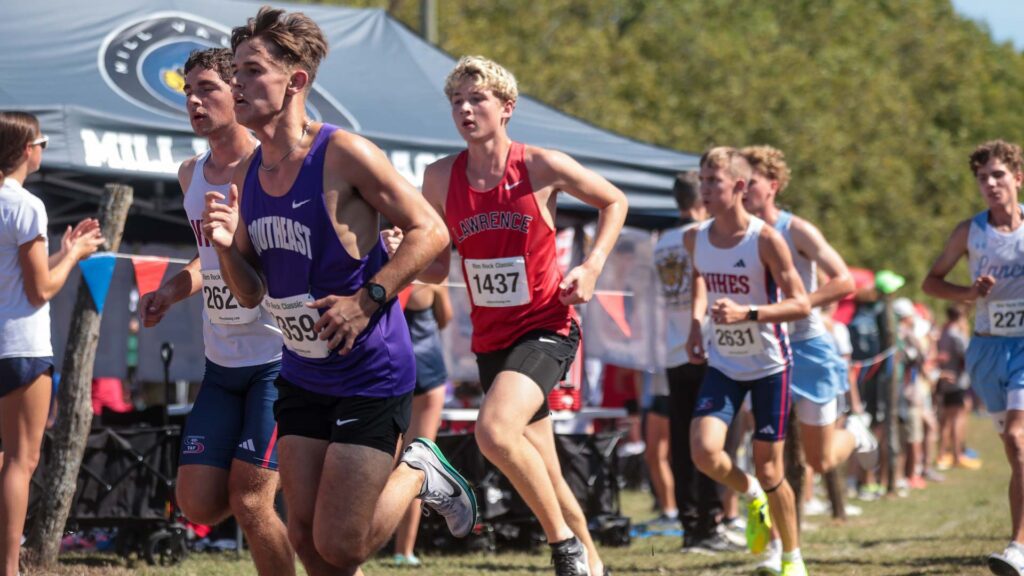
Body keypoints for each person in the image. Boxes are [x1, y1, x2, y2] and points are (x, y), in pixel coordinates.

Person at [203, 8, 475, 575]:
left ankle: (420, 470)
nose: (236, 84)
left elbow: (431, 231)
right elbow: (250, 294)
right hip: (303, 371)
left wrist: (367, 299)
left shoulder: (343, 153)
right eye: (234, 72)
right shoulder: (249, 173)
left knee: (342, 544)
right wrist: (226, 248)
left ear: (295, 81)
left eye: (252, 71)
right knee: (306, 539)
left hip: (369, 373)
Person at [413, 55, 628, 575]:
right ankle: (593, 564)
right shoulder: (439, 177)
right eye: (457, 101)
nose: (465, 110)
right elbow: (438, 266)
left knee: (493, 432)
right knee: (544, 470)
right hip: (492, 339)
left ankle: (564, 548)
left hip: (546, 327)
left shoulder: (540, 166)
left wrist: (593, 265)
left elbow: (614, 201)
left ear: (506, 107)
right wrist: (406, 248)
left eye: (477, 99)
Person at [138, 48, 293, 575]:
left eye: (207, 88)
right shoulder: (190, 173)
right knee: (198, 503)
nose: (194, 101)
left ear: (238, 93)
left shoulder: (268, 167)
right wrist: (171, 291)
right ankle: (303, 493)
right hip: (222, 362)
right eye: (188, 91)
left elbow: (254, 272)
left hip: (277, 357)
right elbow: (208, 257)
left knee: (250, 500)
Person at [740, 145, 878, 543]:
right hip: (762, 350)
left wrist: (797, 305)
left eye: (751, 182)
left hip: (808, 346)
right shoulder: (739, 233)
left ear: (773, 185)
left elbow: (844, 280)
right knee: (765, 453)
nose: (743, 190)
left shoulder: (796, 229)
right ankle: (778, 544)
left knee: (819, 459)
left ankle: (856, 432)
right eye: (739, 182)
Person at [684, 146, 811, 576]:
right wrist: (695, 324)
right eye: (701, 180)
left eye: (713, 182)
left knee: (771, 467)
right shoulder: (695, 237)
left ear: (739, 187)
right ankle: (750, 490)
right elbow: (699, 278)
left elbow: (801, 304)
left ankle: (792, 557)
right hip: (724, 363)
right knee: (704, 452)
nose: (704, 189)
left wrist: (748, 313)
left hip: (770, 366)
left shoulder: (765, 239)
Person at [0, 111, 104, 576]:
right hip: (20, 345)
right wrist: (76, 255)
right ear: (27, 150)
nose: (43, 150)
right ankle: (8, 567)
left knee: (7, 458)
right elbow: (40, 289)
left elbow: (18, 273)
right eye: (41, 143)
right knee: (21, 461)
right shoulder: (26, 205)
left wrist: (62, 251)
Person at [922, 139, 1024, 576]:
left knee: (1018, 440)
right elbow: (931, 282)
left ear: (1018, 178)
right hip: (986, 348)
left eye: (998, 175)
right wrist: (969, 292)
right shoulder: (969, 232)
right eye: (983, 178)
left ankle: (1017, 548)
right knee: (1014, 451)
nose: (991, 184)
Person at [654, 170, 736, 552]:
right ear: (702, 199)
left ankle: (690, 527)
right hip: (706, 346)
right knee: (712, 441)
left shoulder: (661, 242)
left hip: (674, 350)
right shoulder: (703, 236)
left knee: (685, 443)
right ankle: (709, 524)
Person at [393, 282, 453, 567]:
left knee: (380, 462)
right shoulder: (433, 276)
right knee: (418, 463)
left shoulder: (379, 269)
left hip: (392, 367)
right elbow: (445, 319)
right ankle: (403, 550)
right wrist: (438, 290)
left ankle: (367, 541)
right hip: (427, 367)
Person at [934, 304, 979, 470]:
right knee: (956, 418)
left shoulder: (944, 332)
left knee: (947, 419)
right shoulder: (955, 334)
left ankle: (944, 454)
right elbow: (967, 355)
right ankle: (957, 455)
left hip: (946, 381)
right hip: (957, 381)